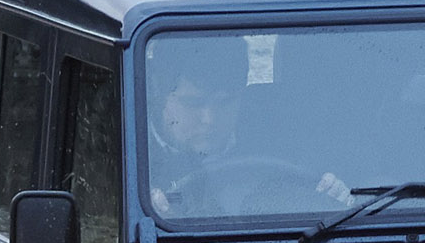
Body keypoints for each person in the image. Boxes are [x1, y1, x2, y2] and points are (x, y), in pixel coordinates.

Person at [144, 33, 348, 220]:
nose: (210, 119)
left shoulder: (286, 139)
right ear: (158, 94)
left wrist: (335, 196)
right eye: (193, 103)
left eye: (226, 103)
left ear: (243, 93)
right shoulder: (131, 157)